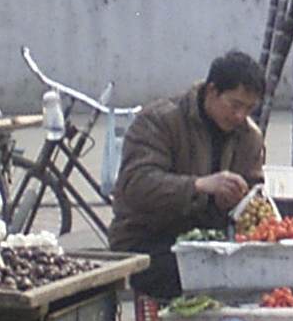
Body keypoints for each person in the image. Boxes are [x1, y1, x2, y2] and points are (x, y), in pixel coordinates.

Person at [110, 51, 268, 298]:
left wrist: (237, 202)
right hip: (148, 240)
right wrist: (199, 186)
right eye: (234, 105)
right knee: (192, 274)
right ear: (212, 91)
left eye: (248, 109)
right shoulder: (160, 120)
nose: (240, 116)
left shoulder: (249, 137)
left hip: (210, 242)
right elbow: (135, 185)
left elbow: (254, 191)